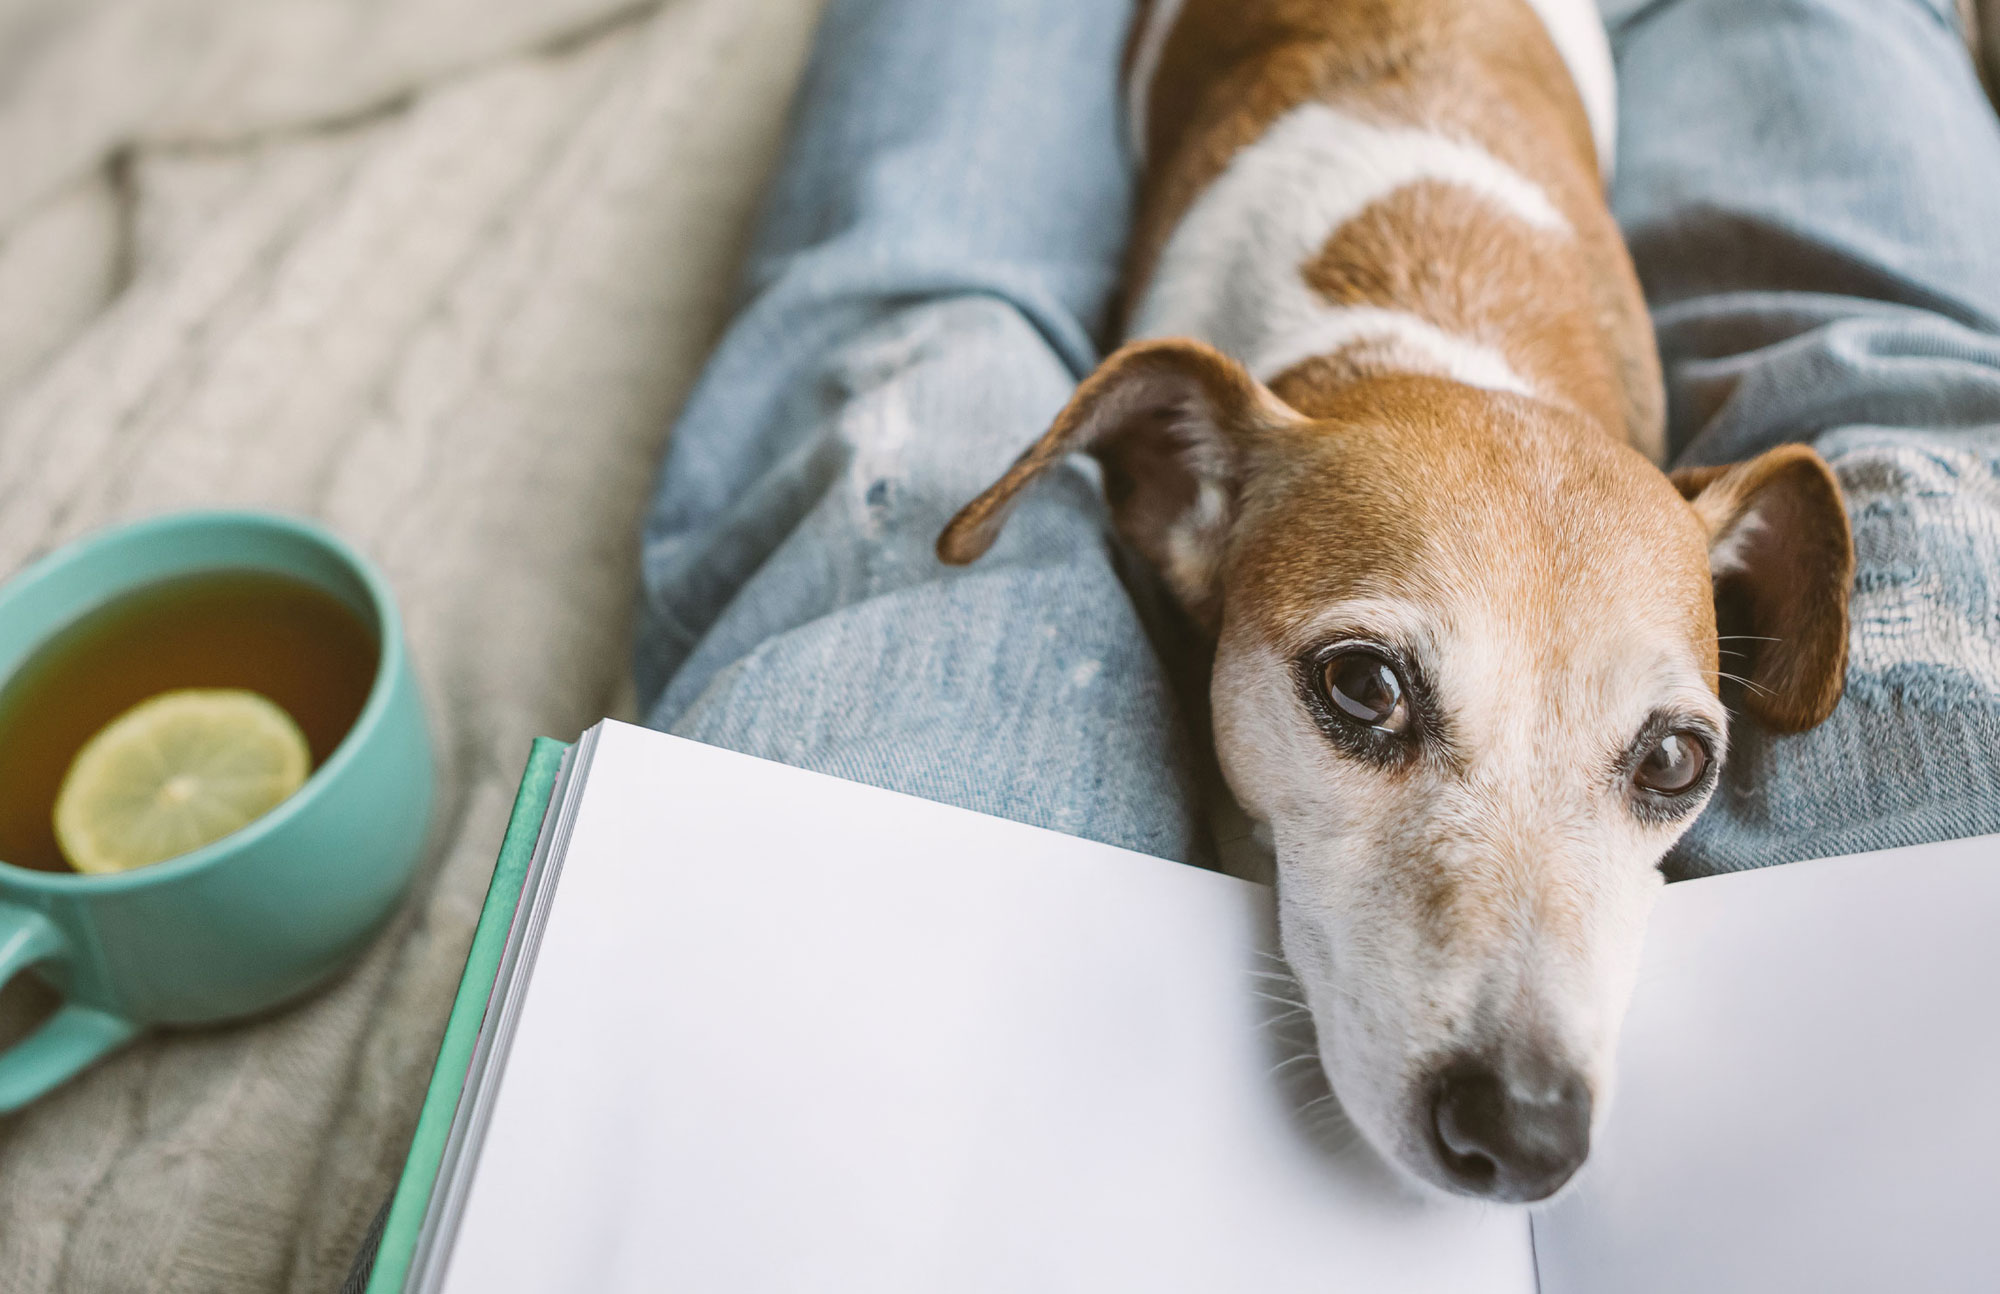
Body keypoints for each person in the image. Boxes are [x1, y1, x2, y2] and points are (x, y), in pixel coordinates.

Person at [634, 0, 2000, 882]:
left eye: (1663, 762)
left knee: (919, 327)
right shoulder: (1206, 457)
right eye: (1370, 693)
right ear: (1176, 481)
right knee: (1902, 373)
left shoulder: (1642, 474)